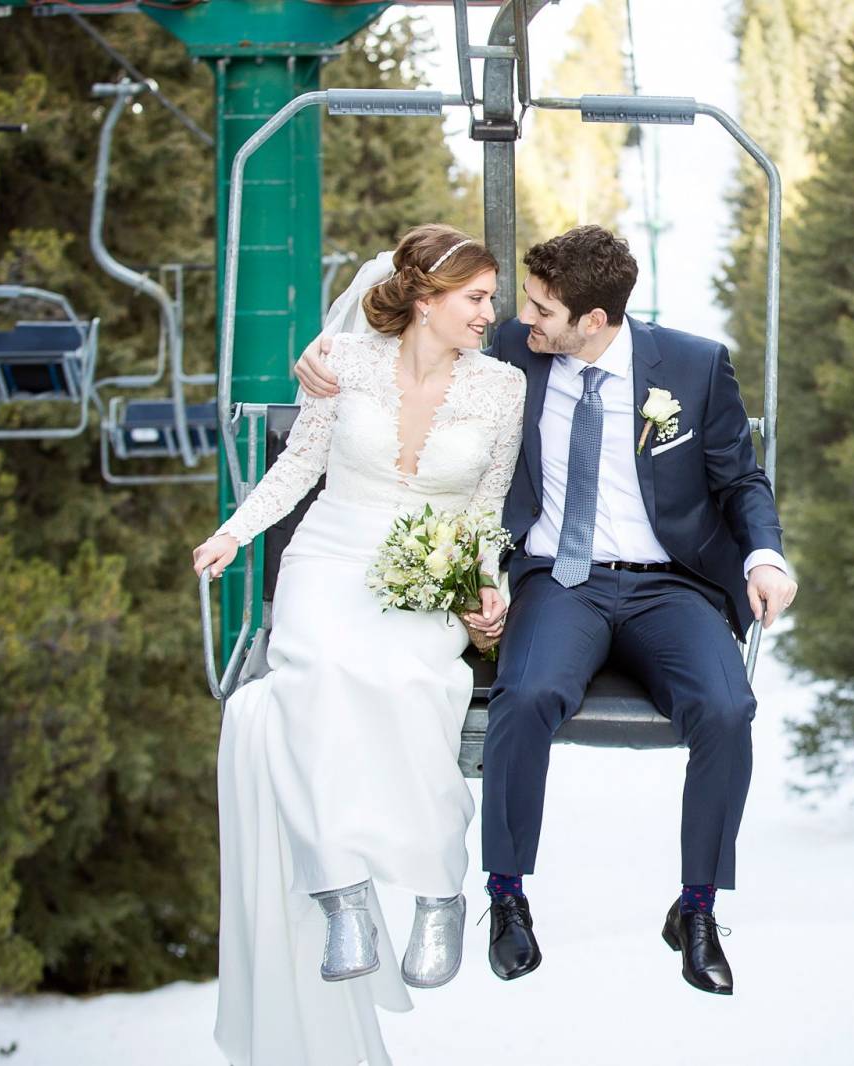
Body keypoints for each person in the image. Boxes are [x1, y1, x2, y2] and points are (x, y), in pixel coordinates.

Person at [296, 225, 798, 996]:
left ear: (593, 321)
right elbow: (412, 323)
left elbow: (740, 482)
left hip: (672, 585)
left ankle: (697, 906)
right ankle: (506, 896)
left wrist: (764, 556)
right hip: (563, 581)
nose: (521, 320)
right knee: (524, 696)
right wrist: (325, 355)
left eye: (541, 310)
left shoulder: (693, 369)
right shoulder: (509, 349)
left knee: (728, 708)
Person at [191, 224, 525, 1064]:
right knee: (315, 675)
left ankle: (435, 891)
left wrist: (491, 587)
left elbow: (485, 509)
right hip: (334, 552)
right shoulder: (347, 361)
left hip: (427, 558)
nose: (492, 313)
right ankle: (340, 891)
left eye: (492, 298)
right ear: (424, 300)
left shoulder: (501, 388)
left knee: (416, 685)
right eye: (476, 299)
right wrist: (236, 532)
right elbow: (301, 466)